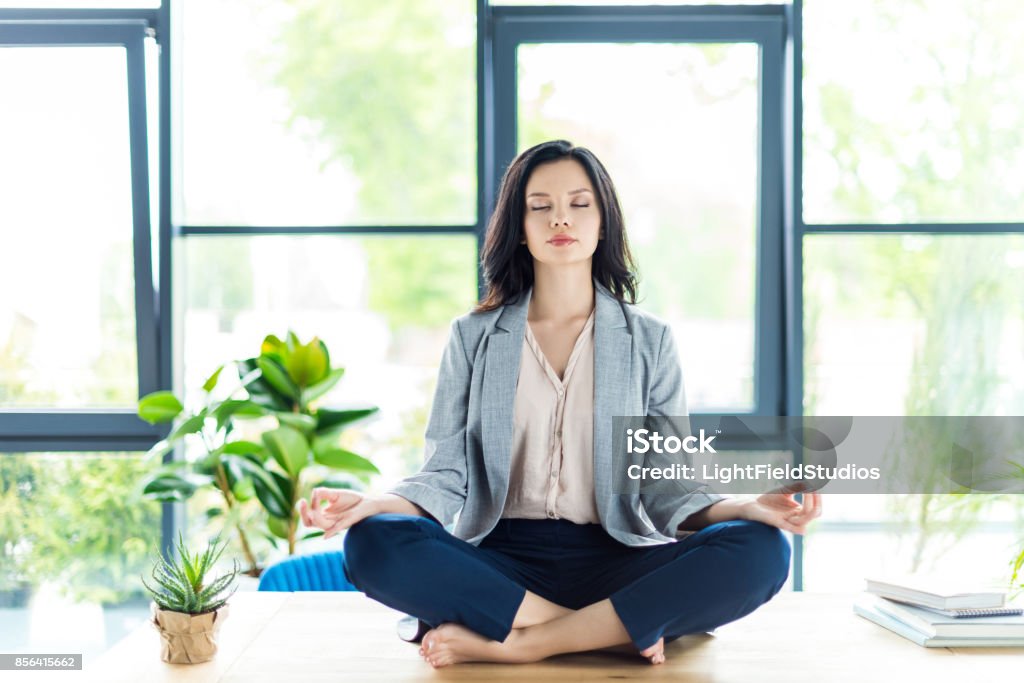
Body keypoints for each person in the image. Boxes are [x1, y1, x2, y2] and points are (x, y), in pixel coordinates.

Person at [297, 140, 822, 668]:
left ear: (603, 222)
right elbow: (445, 473)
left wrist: (745, 508)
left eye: (579, 203)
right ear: (520, 228)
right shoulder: (472, 337)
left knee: (764, 548)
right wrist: (371, 505)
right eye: (540, 206)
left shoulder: (650, 341)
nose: (560, 219)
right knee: (372, 542)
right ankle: (610, 631)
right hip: (502, 560)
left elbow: (668, 486)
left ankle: (527, 640)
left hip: (616, 557)